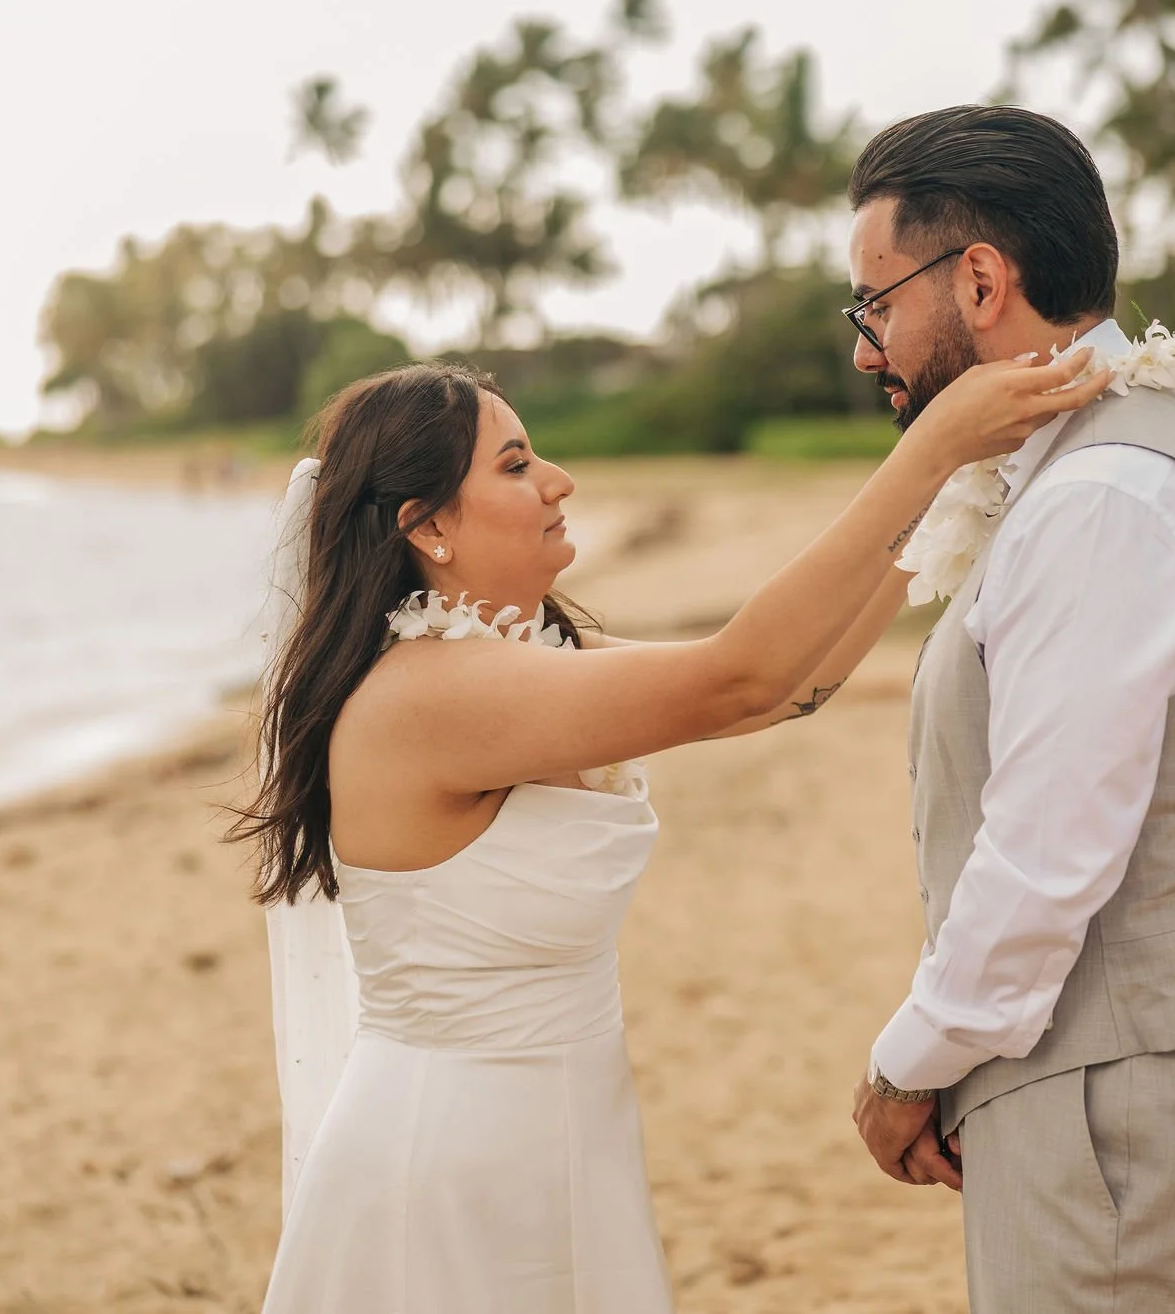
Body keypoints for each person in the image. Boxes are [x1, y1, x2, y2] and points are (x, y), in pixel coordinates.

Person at [236, 351, 1110, 1312]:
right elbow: (738, 675)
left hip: (568, 1126)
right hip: (448, 1156)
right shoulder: (429, 694)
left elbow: (784, 691)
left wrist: (941, 490)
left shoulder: (531, 658)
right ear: (429, 524)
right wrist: (931, 445)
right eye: (518, 464)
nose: (559, 480)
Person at [843, 105, 1175, 1312]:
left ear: (981, 280)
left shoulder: (1102, 495)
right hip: (1132, 1075)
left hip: (1129, 1096)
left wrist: (908, 1063)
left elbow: (1050, 849)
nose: (864, 348)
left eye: (873, 305)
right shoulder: (1101, 458)